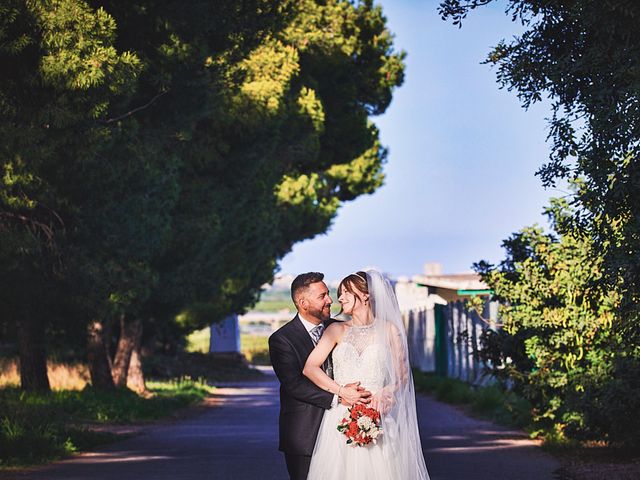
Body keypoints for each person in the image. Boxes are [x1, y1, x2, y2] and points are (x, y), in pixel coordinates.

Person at [303, 269, 430, 479]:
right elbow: (310, 368)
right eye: (340, 293)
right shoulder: (336, 330)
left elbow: (402, 374)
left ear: (365, 295)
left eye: (346, 292)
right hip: (340, 416)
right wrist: (341, 391)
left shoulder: (389, 330)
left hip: (377, 413)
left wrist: (388, 390)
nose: (340, 298)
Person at [269, 272, 372, 480]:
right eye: (322, 296)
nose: (330, 300)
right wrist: (339, 397)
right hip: (304, 433)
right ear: (303, 303)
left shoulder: (340, 328)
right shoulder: (282, 339)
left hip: (344, 428)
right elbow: (294, 385)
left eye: (328, 294)